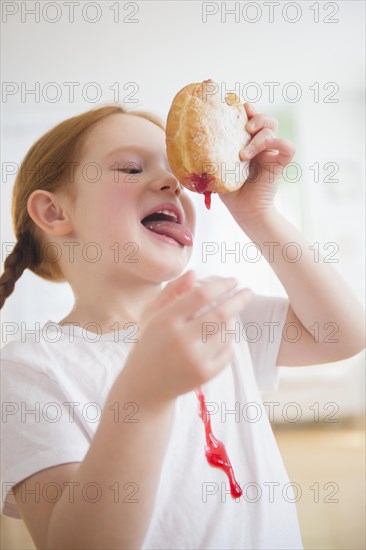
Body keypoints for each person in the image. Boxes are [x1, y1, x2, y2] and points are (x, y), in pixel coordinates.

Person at [0, 102, 364, 550]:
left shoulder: (211, 310)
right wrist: (145, 395)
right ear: (54, 213)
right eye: (131, 168)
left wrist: (257, 212)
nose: (174, 182)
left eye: (176, 169)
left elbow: (343, 334)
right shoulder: (29, 370)